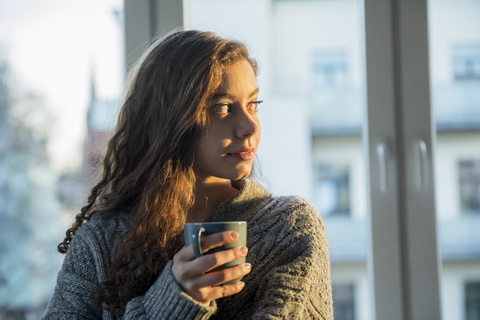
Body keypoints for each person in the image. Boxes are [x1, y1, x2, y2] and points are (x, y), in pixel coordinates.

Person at [42, 30, 333, 319]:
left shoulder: (291, 228)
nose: (250, 126)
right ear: (169, 121)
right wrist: (172, 302)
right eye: (222, 107)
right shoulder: (99, 241)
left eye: (253, 105)